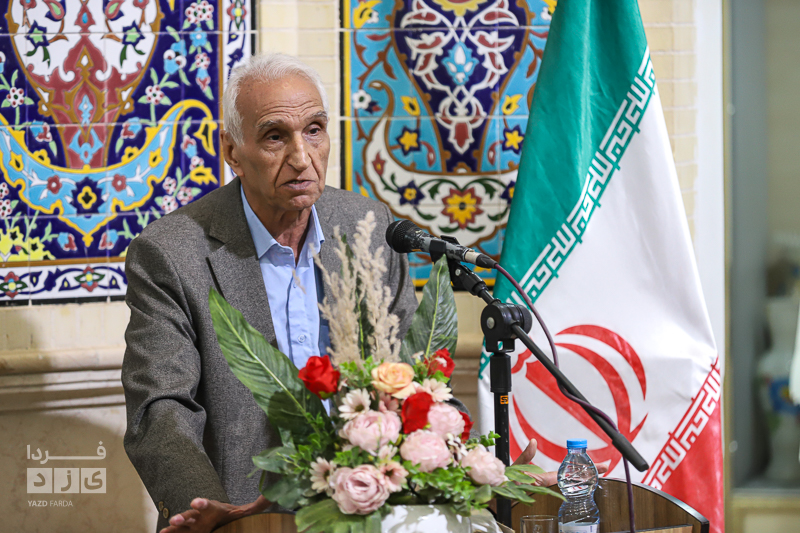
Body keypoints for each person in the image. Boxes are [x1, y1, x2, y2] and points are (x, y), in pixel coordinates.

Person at [122, 54, 590, 533]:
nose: (301, 157)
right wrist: (210, 514)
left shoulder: (368, 227)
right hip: (247, 516)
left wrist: (477, 471)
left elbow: (418, 381)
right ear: (232, 151)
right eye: (275, 137)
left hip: (376, 511)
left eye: (314, 130)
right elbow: (161, 409)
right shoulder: (170, 253)